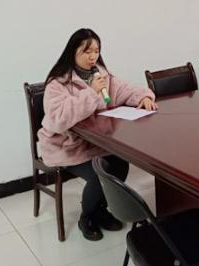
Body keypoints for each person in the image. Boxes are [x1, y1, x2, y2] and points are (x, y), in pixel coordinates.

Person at [38, 28, 157, 241]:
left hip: (94, 143)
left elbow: (126, 90)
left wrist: (144, 97)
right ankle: (87, 217)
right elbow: (57, 119)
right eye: (87, 51)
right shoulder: (58, 83)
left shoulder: (102, 75)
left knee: (120, 164)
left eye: (96, 51)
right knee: (99, 173)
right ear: (73, 52)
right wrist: (90, 93)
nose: (93, 56)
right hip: (66, 146)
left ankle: (100, 210)